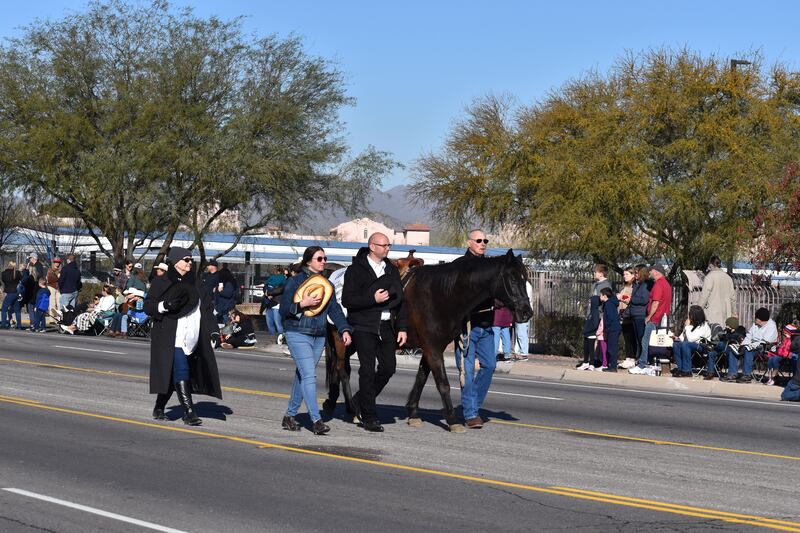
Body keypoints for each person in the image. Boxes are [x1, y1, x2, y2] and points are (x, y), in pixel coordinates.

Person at [144, 247, 222, 426]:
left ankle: (159, 407)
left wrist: (214, 331)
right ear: (175, 261)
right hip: (171, 335)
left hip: (193, 336)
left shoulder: (196, 283)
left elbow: (207, 309)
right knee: (181, 368)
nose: (189, 263)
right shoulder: (161, 281)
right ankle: (189, 412)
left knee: (174, 372)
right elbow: (148, 306)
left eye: (191, 260)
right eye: (186, 259)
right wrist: (164, 305)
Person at [280, 246, 352, 434]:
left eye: (325, 258)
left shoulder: (327, 284)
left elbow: (335, 310)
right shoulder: (294, 281)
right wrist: (302, 304)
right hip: (297, 332)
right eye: (319, 258)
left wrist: (344, 329)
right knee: (309, 376)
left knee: (303, 375)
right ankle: (316, 420)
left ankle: (289, 416)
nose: (323, 261)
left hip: (319, 335)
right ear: (308, 261)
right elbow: (284, 309)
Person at [342, 233, 407, 432]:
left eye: (389, 245)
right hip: (364, 326)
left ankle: (359, 401)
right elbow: (348, 300)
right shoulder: (355, 270)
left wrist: (402, 327)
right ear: (372, 246)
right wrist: (373, 300)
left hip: (387, 326)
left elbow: (401, 301)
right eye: (384, 245)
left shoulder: (391, 270)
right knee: (367, 371)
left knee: (388, 368)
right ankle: (369, 416)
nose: (388, 248)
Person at [453, 229, 496, 429]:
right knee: (467, 371)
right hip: (467, 327)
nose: (482, 243)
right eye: (479, 240)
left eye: (485, 240)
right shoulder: (460, 265)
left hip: (487, 325)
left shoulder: (491, 265)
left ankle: (472, 406)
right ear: (469, 242)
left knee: (490, 366)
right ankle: (470, 414)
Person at [630, 264, 672, 374]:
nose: (650, 273)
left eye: (651, 271)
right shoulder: (666, 284)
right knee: (655, 343)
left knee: (645, 341)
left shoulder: (659, 284)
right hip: (663, 319)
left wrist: (649, 316)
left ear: (657, 271)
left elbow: (655, 302)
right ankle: (652, 364)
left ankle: (642, 364)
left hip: (655, 318)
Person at [721, 307, 778, 383]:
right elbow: (749, 336)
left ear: (761, 320)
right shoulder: (755, 325)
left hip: (764, 348)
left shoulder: (771, 326)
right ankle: (732, 373)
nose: (755, 319)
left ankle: (746, 375)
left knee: (748, 350)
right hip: (751, 345)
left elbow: (765, 341)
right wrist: (743, 345)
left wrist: (749, 346)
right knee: (733, 348)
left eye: (756, 318)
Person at [577, 264, 612, 370]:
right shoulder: (595, 284)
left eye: (595, 272)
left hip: (598, 315)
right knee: (587, 337)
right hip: (590, 314)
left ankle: (590, 362)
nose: (594, 274)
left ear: (601, 273)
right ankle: (587, 361)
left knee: (591, 337)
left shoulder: (606, 285)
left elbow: (605, 301)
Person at [620, 265, 651, 369]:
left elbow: (644, 299)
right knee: (636, 339)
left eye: (637, 273)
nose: (636, 275)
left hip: (640, 314)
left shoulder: (645, 285)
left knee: (641, 338)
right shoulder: (638, 284)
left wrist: (631, 300)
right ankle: (637, 359)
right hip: (632, 314)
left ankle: (642, 360)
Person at [670, 305, 711, 377]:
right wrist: (677, 338)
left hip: (702, 346)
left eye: (690, 314)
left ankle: (687, 371)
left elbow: (691, 339)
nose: (689, 316)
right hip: (690, 345)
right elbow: (682, 337)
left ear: (695, 315)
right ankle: (680, 369)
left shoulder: (704, 326)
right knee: (676, 344)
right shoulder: (692, 324)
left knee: (685, 344)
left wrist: (687, 326)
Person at [698, 255, 736, 327]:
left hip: (712, 313)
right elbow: (733, 298)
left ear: (710, 264)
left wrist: (697, 310)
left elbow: (704, 296)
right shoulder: (728, 278)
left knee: (713, 331)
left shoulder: (709, 277)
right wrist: (734, 313)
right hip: (726, 314)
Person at [599, 287, 622, 371]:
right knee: (611, 347)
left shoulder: (608, 304)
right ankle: (611, 365)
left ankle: (613, 367)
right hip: (613, 328)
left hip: (612, 328)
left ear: (605, 296)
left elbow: (610, 317)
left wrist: (607, 326)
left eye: (601, 295)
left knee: (612, 348)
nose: (599, 297)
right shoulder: (610, 303)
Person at [617, 267, 636, 369]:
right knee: (626, 337)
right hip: (622, 315)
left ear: (633, 275)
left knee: (631, 337)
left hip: (630, 315)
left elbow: (631, 299)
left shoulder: (634, 287)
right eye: (624, 274)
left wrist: (622, 298)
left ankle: (632, 358)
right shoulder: (624, 286)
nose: (625, 276)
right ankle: (628, 357)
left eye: (627, 274)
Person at [511, 281, 532, 361]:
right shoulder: (526, 285)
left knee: (521, 333)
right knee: (521, 333)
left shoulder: (524, 285)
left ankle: (523, 353)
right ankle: (521, 352)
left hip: (522, 312)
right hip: (523, 312)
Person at [1, 261, 22, 329]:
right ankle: (19, 325)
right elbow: (21, 279)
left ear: (8, 265)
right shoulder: (17, 273)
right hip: (17, 293)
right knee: (17, 310)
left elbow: (3, 281)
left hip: (10, 293)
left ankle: (3, 324)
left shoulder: (4, 273)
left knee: (4, 309)